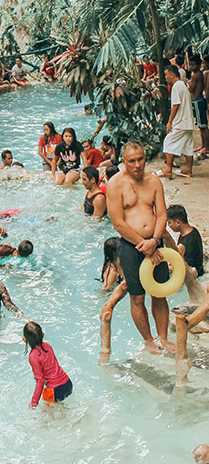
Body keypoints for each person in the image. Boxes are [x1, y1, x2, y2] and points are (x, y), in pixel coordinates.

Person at [106, 141, 175, 353]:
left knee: (159, 292)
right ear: (123, 161)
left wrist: (154, 241)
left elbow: (162, 214)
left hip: (155, 242)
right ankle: (148, 340)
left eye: (141, 159)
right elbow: (117, 222)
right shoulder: (115, 184)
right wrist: (142, 244)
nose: (138, 165)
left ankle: (163, 337)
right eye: (132, 161)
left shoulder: (153, 181)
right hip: (130, 246)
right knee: (137, 296)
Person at [23, 321, 73, 409]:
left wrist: (34, 403)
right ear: (43, 334)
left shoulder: (33, 356)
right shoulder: (47, 346)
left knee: (46, 418)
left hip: (54, 390)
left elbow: (40, 381)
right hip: (67, 383)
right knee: (60, 408)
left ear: (24, 339)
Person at [160, 64, 194, 178]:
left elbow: (175, 105)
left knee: (169, 142)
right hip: (187, 121)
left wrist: (170, 122)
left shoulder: (176, 86)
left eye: (166, 75)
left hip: (181, 122)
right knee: (188, 146)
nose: (165, 77)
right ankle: (189, 169)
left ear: (172, 74)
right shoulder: (182, 85)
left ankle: (168, 168)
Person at [167, 205, 205, 276]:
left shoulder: (188, 242)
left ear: (178, 223)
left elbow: (187, 268)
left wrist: (168, 268)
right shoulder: (193, 230)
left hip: (194, 278)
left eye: (169, 222)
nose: (169, 225)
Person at [188, 54, 209, 154]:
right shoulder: (197, 74)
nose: (190, 67)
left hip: (197, 101)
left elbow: (191, 89)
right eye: (190, 65)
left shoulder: (196, 75)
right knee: (201, 126)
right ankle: (203, 145)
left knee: (203, 126)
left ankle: (207, 147)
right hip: (197, 101)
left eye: (192, 65)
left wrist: (188, 83)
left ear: (197, 65)